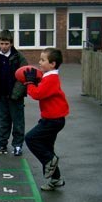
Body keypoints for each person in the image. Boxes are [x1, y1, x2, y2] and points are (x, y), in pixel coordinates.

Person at [23, 48, 69, 191]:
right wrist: (36, 80)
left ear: (53, 64)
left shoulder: (51, 79)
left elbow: (37, 94)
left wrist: (30, 83)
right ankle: (56, 179)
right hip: (51, 118)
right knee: (47, 147)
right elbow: (42, 87)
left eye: (43, 60)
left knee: (31, 138)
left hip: (53, 120)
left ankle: (50, 160)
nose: (39, 62)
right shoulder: (48, 76)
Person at [0, 30, 28, 156]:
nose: (4, 46)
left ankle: (18, 145)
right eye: (1, 43)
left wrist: (16, 93)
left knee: (18, 122)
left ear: (11, 44)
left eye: (6, 44)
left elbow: (24, 77)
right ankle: (1, 144)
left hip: (16, 96)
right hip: (2, 95)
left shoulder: (19, 57)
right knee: (3, 121)